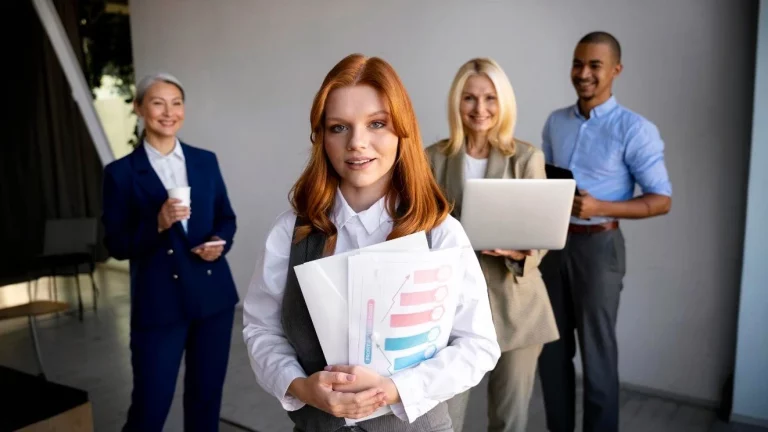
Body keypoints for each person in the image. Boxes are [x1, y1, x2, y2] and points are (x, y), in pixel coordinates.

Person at [242, 53, 501, 432]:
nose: (357, 143)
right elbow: (261, 329)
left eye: (377, 123)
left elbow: (478, 346)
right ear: (321, 138)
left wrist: (396, 389)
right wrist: (300, 387)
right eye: (338, 128)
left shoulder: (440, 233)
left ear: (402, 130)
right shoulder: (291, 231)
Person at [537, 31, 673, 432]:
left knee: (597, 357)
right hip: (553, 246)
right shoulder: (555, 122)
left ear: (616, 69)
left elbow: (661, 199)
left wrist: (600, 207)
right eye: (578, 63)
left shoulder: (635, 129)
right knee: (551, 352)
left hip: (600, 248)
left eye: (594, 65)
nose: (583, 73)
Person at [425, 58, 560, 432]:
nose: (479, 109)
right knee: (443, 420)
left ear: (503, 103)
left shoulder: (527, 158)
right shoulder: (432, 158)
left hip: (515, 305)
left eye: (489, 98)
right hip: (450, 309)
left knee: (508, 421)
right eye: (469, 98)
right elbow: (416, 227)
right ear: (457, 102)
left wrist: (522, 252)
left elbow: (542, 234)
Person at [102, 73, 238, 432]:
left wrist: (220, 244)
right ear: (139, 108)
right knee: (150, 405)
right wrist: (157, 223)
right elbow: (115, 245)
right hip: (159, 304)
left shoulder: (205, 161)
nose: (168, 112)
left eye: (176, 103)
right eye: (158, 102)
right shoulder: (120, 174)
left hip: (213, 299)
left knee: (206, 399)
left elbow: (226, 217)